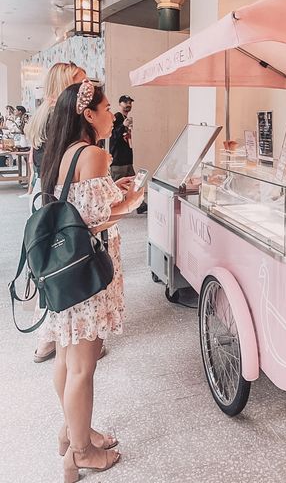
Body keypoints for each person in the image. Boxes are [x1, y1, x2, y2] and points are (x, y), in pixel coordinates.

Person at [40, 80, 143, 482]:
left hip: (62, 270)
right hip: (88, 273)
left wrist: (112, 192)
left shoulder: (61, 153)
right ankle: (80, 453)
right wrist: (132, 200)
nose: (111, 115)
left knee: (67, 358)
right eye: (105, 109)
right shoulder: (97, 154)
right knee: (84, 366)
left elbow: (77, 205)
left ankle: (72, 431)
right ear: (88, 115)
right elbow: (97, 220)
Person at [25, 62, 87, 363]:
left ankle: (50, 339)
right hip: (55, 198)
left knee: (48, 264)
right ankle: (56, 338)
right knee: (63, 264)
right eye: (80, 82)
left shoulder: (40, 116)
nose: (86, 89)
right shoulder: (58, 116)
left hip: (43, 194)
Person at [110, 94, 147, 214]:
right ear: (120, 104)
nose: (128, 105)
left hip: (126, 159)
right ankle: (111, 209)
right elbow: (112, 136)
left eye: (130, 103)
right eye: (125, 103)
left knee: (135, 182)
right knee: (115, 187)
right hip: (118, 160)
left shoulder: (126, 118)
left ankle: (141, 205)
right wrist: (123, 126)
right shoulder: (116, 117)